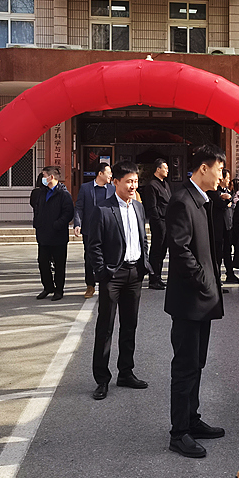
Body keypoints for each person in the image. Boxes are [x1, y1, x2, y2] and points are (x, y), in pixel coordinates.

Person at [165, 144, 227, 459]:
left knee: (197, 364)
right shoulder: (182, 201)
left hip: (201, 300)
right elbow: (180, 250)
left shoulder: (202, 200)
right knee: (185, 367)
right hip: (190, 301)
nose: (222, 176)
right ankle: (178, 433)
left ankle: (192, 419)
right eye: (219, 169)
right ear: (204, 167)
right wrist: (204, 282)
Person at [86, 161, 153, 400]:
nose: (133, 186)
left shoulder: (138, 207)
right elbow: (93, 245)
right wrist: (102, 272)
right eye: (128, 182)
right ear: (115, 182)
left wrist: (144, 263)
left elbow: (143, 238)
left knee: (129, 325)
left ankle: (126, 372)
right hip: (112, 276)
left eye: (135, 181)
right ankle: (102, 379)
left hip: (135, 274)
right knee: (105, 327)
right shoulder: (103, 209)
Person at [33, 165, 74, 301]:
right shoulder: (42, 193)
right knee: (42, 262)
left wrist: (57, 224)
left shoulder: (64, 194)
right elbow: (37, 209)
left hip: (58, 236)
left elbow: (68, 213)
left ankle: (59, 290)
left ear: (51, 177)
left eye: (44, 176)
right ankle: (48, 287)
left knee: (59, 265)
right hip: (43, 235)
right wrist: (37, 224)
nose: (42, 178)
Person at [74, 162, 115, 298]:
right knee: (90, 258)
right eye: (109, 172)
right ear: (100, 173)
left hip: (107, 230)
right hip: (90, 230)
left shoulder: (112, 189)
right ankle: (90, 285)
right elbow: (79, 207)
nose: (111, 175)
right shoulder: (86, 188)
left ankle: (105, 283)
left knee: (108, 257)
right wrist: (77, 223)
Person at [141, 158, 171, 290]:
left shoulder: (165, 184)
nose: (167, 170)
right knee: (156, 251)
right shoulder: (152, 185)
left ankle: (158, 276)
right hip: (158, 221)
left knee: (163, 251)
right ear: (158, 169)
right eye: (165, 168)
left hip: (167, 221)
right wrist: (157, 221)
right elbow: (152, 207)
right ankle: (153, 279)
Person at [207, 169, 235, 287]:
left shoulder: (227, 191)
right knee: (217, 253)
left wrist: (227, 199)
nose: (228, 180)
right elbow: (220, 204)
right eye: (227, 178)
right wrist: (225, 200)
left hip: (227, 226)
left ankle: (230, 274)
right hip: (217, 227)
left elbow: (229, 202)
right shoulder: (214, 191)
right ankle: (216, 278)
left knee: (227, 251)